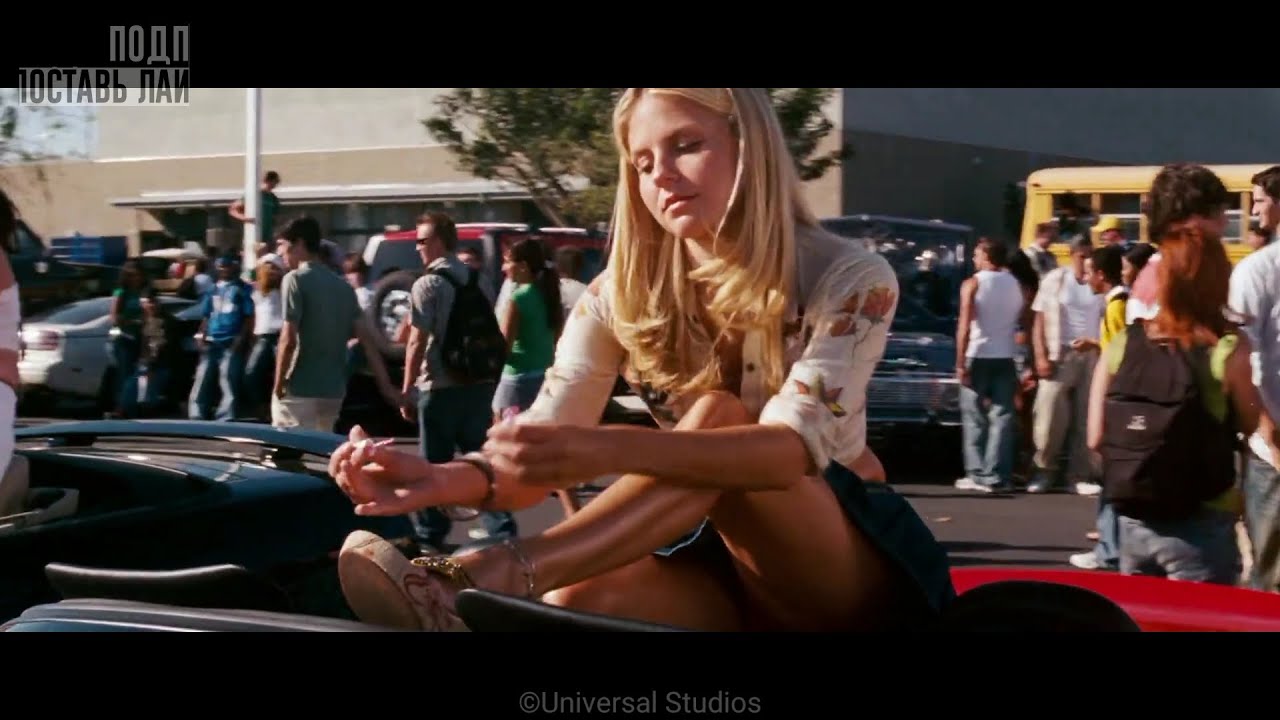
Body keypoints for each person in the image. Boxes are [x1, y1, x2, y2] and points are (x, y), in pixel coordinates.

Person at [326, 88, 955, 632]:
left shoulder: (850, 276)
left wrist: (607, 448)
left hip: (850, 571)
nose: (662, 176)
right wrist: (436, 479)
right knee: (574, 599)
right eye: (643, 163)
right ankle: (480, 591)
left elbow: (787, 452)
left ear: (749, 145)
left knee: (718, 415)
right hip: (717, 566)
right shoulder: (618, 295)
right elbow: (541, 448)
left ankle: (485, 574)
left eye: (686, 145)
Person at [1090, 163, 1275, 585]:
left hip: (1134, 517)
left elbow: (1096, 436)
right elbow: (1257, 428)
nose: (1225, 223)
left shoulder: (1128, 331)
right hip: (1202, 518)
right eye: (1219, 214)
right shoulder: (1224, 348)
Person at [273, 217, 397, 432]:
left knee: (288, 448)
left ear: (299, 243)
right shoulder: (344, 288)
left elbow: (288, 339)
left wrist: (278, 383)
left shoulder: (295, 279)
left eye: (282, 245)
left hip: (299, 386)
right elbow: (367, 341)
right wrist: (386, 386)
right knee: (322, 447)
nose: (280, 253)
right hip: (332, 391)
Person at [1232, 164, 1280, 592]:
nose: (1254, 211)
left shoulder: (1257, 270)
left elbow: (1241, 354)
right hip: (1271, 434)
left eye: (1260, 201)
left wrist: (1262, 428)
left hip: (1272, 439)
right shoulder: (1258, 269)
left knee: (1271, 570)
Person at [954, 237, 1024, 494]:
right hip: (1005, 354)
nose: (974, 258)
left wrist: (960, 362)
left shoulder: (972, 283)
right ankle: (997, 473)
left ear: (987, 257)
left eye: (977, 254)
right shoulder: (1015, 283)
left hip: (978, 353)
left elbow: (964, 324)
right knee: (1002, 416)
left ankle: (976, 473)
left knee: (974, 416)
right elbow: (1022, 318)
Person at [188, 255, 255, 421]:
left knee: (228, 378)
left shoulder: (242, 289)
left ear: (234, 267)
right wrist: (201, 334)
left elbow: (248, 317)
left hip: (231, 339)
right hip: (212, 340)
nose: (223, 269)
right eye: (220, 266)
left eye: (227, 266)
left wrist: (242, 338)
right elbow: (206, 315)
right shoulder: (212, 289)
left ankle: (226, 415)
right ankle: (197, 412)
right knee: (203, 376)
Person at [106, 260, 149, 418]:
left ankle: (137, 406)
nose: (135, 278)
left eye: (138, 275)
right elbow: (114, 316)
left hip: (143, 338)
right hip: (125, 338)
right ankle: (121, 408)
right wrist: (130, 321)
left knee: (141, 375)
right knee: (124, 374)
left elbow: (150, 313)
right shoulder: (120, 291)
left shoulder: (145, 291)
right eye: (131, 275)